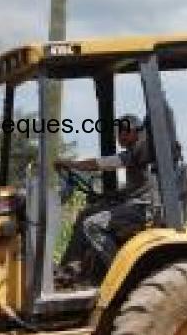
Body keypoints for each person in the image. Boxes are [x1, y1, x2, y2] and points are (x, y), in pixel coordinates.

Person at [55, 114, 155, 285]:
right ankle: (69, 269)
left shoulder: (140, 150)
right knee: (85, 214)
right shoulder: (137, 150)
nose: (118, 137)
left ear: (132, 132)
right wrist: (108, 195)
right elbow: (136, 186)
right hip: (134, 204)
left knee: (92, 224)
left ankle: (122, 274)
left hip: (142, 209)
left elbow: (104, 163)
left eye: (121, 133)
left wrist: (72, 165)